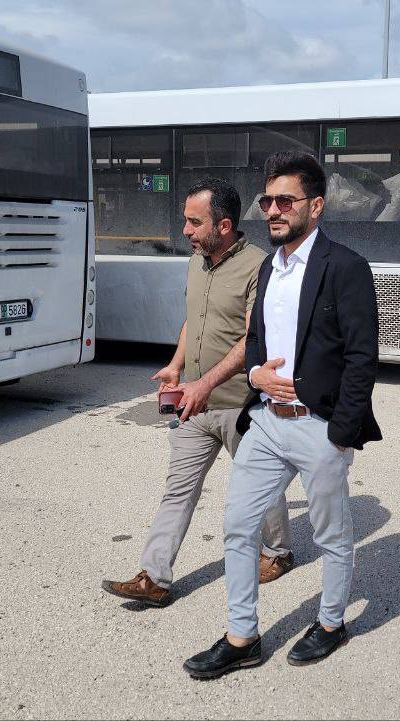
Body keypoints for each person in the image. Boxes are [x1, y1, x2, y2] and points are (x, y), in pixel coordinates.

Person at [183, 151, 381, 678]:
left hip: (320, 427)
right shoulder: (270, 267)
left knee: (332, 536)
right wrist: (255, 376)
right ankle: (242, 637)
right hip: (268, 423)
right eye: (267, 201)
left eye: (285, 201)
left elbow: (362, 358)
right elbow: (255, 341)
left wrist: (340, 434)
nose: (272, 210)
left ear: (316, 206)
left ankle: (332, 623)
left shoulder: (346, 267)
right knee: (238, 526)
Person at [102, 178, 294, 608]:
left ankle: (279, 551)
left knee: (261, 487)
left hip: (242, 406)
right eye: (185, 221)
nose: (185, 230)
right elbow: (195, 320)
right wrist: (176, 365)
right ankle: (154, 578)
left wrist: (206, 383)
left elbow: (252, 339)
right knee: (178, 490)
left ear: (223, 225)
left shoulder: (261, 268)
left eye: (194, 222)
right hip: (194, 404)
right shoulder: (196, 262)